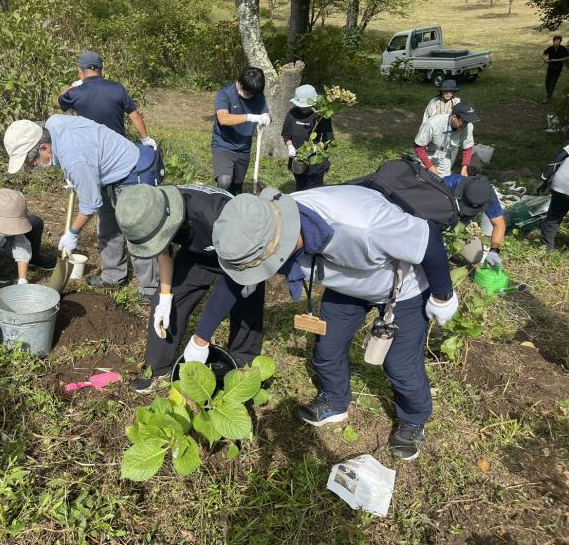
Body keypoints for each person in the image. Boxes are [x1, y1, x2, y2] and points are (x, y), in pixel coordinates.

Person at [188, 186, 457, 461]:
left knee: (400, 366)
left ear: (283, 244)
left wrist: (442, 296)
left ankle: (413, 419)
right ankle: (335, 400)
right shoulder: (260, 227)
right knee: (327, 350)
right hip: (346, 286)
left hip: (403, 287)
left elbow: (429, 239)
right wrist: (200, 339)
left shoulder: (362, 226)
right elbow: (235, 279)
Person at [115, 184, 264, 393]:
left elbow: (235, 277)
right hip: (198, 254)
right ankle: (157, 370)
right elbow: (162, 249)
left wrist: (200, 340)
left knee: (246, 307)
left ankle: (244, 368)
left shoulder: (217, 215)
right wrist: (166, 297)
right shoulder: (153, 206)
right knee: (170, 300)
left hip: (243, 254)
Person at [3, 115, 158, 301]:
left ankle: (150, 289)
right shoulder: (52, 124)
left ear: (44, 148)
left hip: (130, 174)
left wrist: (72, 233)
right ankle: (113, 276)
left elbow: (91, 204)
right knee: (107, 229)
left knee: (137, 234)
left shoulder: (74, 159)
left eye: (31, 162)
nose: (32, 167)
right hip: (103, 173)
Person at [56, 50, 157, 148]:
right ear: (102, 69)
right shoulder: (118, 88)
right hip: (118, 147)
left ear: (79, 70)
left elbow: (57, 102)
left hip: (90, 148)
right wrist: (146, 138)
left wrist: (75, 84)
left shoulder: (76, 92)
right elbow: (134, 115)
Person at [212, 67, 271, 194]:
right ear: (239, 83)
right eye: (247, 92)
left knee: (236, 187)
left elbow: (266, 113)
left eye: (252, 94)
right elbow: (223, 119)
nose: (249, 96)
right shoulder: (225, 94)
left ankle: (234, 209)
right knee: (224, 181)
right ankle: (218, 207)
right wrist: (249, 117)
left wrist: (266, 118)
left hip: (243, 147)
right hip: (223, 144)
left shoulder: (258, 96)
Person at [444, 171, 506, 266]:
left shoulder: (486, 194)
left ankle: (451, 251)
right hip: (437, 221)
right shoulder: (449, 184)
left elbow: (499, 224)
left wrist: (494, 250)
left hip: (459, 226)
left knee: (474, 256)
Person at [282, 84, 334, 191]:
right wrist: (290, 146)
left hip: (316, 164)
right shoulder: (292, 114)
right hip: (298, 161)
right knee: (300, 190)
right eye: (301, 105)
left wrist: (316, 148)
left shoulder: (321, 115)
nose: (303, 108)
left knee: (314, 192)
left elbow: (328, 139)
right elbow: (286, 135)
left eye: (305, 105)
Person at [414, 102, 480, 177]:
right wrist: (430, 167)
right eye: (464, 121)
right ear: (454, 117)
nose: (466, 124)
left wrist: (464, 167)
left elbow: (468, 148)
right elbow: (418, 147)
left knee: (443, 182)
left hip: (445, 156)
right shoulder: (433, 123)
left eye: (468, 121)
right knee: (419, 178)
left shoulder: (468, 126)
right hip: (426, 154)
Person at [540, 144, 569, 251]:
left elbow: (558, 158)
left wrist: (545, 177)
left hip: (561, 184)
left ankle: (546, 249)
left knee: (553, 218)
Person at [542, 36, 568, 103]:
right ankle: (549, 94)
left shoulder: (563, 49)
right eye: (555, 41)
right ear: (553, 41)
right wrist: (545, 59)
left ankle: (547, 98)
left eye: (557, 41)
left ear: (560, 42)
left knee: (553, 83)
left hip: (558, 68)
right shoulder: (551, 48)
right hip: (550, 67)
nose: (556, 43)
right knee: (547, 82)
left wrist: (557, 60)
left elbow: (567, 57)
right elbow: (543, 54)